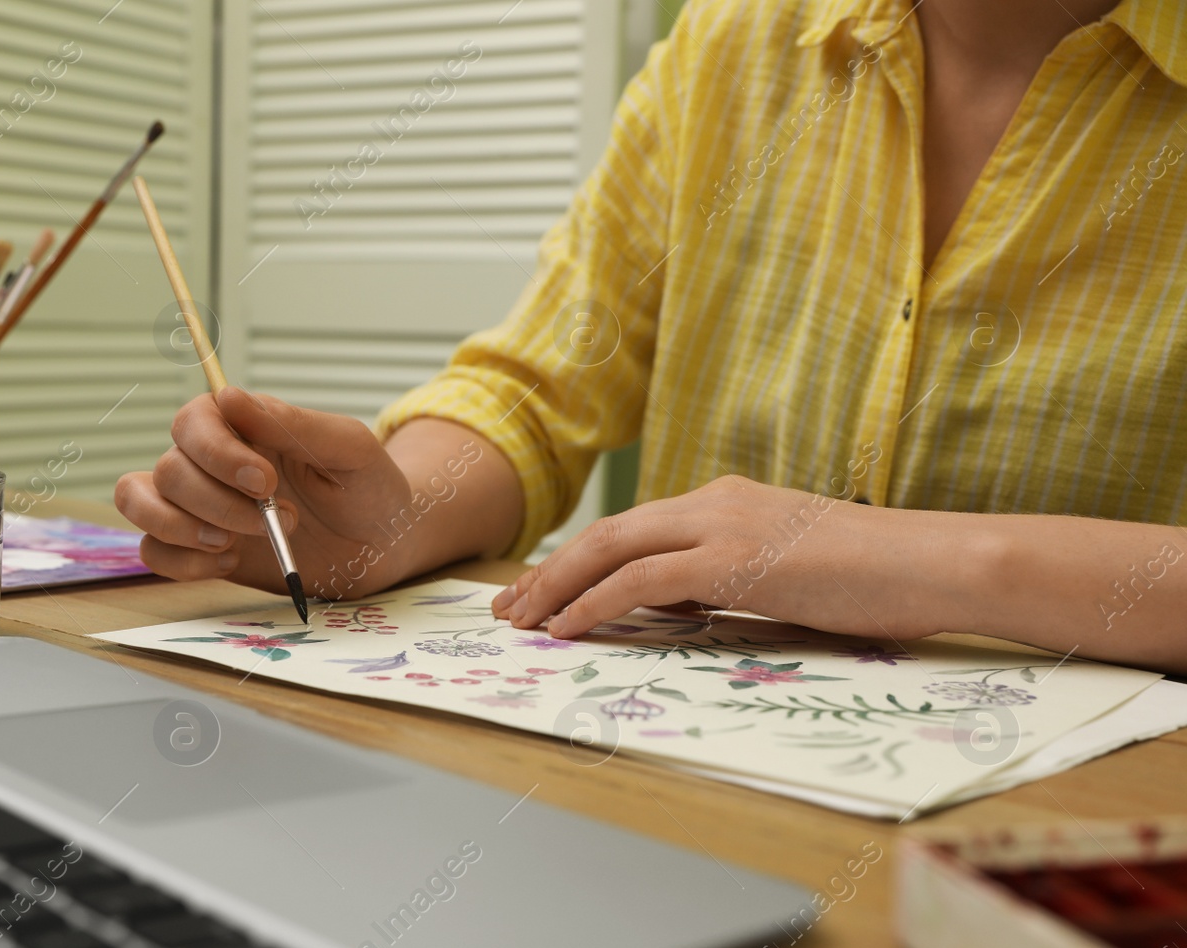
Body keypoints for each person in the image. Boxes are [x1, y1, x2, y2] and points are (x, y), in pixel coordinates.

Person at [115, 0, 1187, 676]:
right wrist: (393, 524)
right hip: (688, 798)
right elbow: (533, 392)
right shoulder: (725, 45)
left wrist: (935, 561)